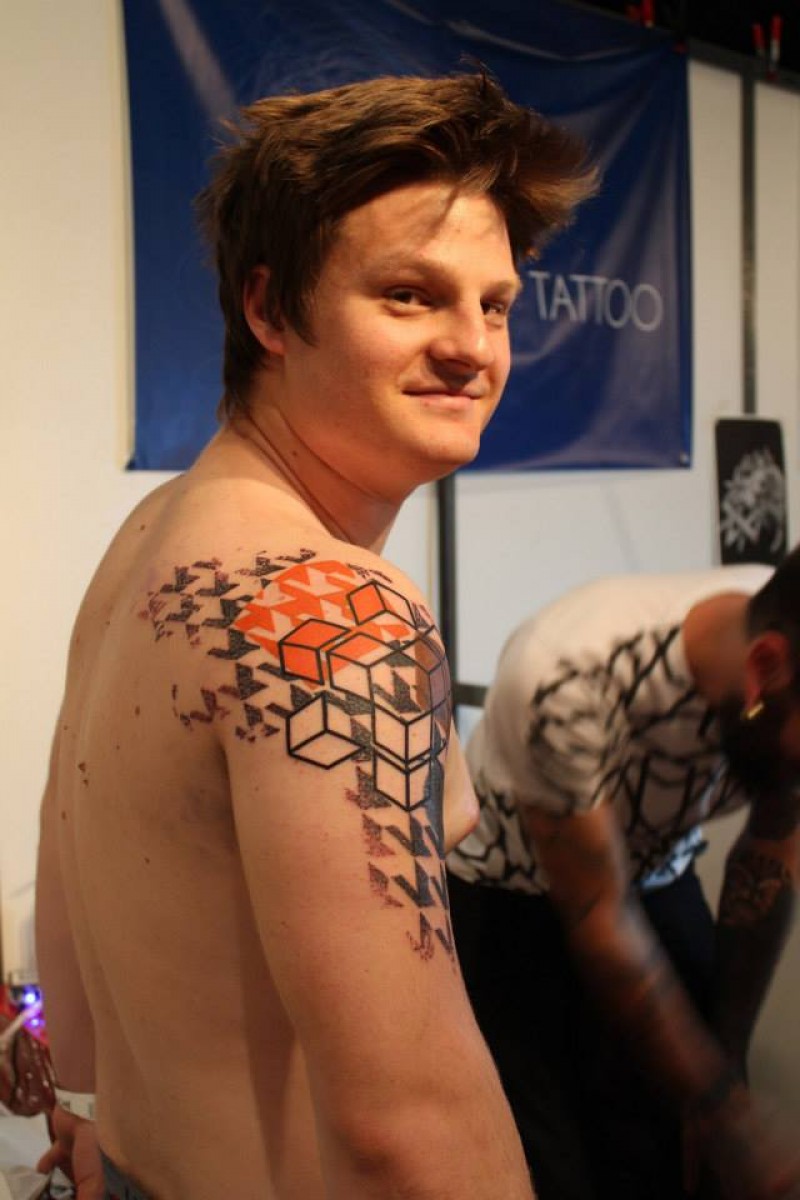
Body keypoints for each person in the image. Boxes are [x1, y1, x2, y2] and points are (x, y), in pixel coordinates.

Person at [33, 73, 596, 1199]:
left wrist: (90, 1115)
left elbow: (74, 887)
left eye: (494, 305)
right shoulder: (332, 611)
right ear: (271, 311)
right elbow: (408, 1124)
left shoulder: (158, 535)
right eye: (409, 295)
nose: (472, 347)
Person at [447, 558, 800, 1200]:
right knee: (552, 1165)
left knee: (672, 1152)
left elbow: (771, 844)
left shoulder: (777, 637)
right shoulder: (569, 680)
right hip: (512, 896)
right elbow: (599, 915)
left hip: (654, 871)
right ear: (764, 668)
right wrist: (728, 1114)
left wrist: (725, 1060)